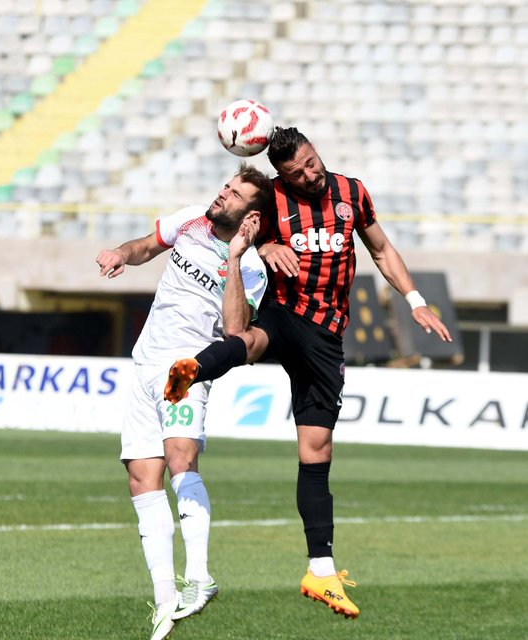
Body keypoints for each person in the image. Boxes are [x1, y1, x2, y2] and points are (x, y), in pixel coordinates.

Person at [164, 127, 453, 620]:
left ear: (317, 153)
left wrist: (415, 301)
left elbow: (381, 250)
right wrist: (262, 248)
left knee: (316, 451)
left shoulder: (352, 193)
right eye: (297, 173)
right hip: (286, 311)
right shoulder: (272, 198)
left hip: (327, 334)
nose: (310, 175)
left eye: (312, 163)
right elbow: (233, 229)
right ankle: (191, 369)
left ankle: (320, 572)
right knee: (252, 340)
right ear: (283, 175)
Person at [96, 163, 274, 640]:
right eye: (226, 186)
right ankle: (165, 601)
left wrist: (234, 257)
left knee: (180, 458)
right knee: (141, 478)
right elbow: (146, 245)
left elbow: (235, 332)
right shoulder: (191, 219)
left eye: (235, 194)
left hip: (185, 368)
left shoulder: (251, 268)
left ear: (252, 217)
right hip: (145, 363)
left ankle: (199, 577)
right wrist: (120, 253)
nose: (223, 194)